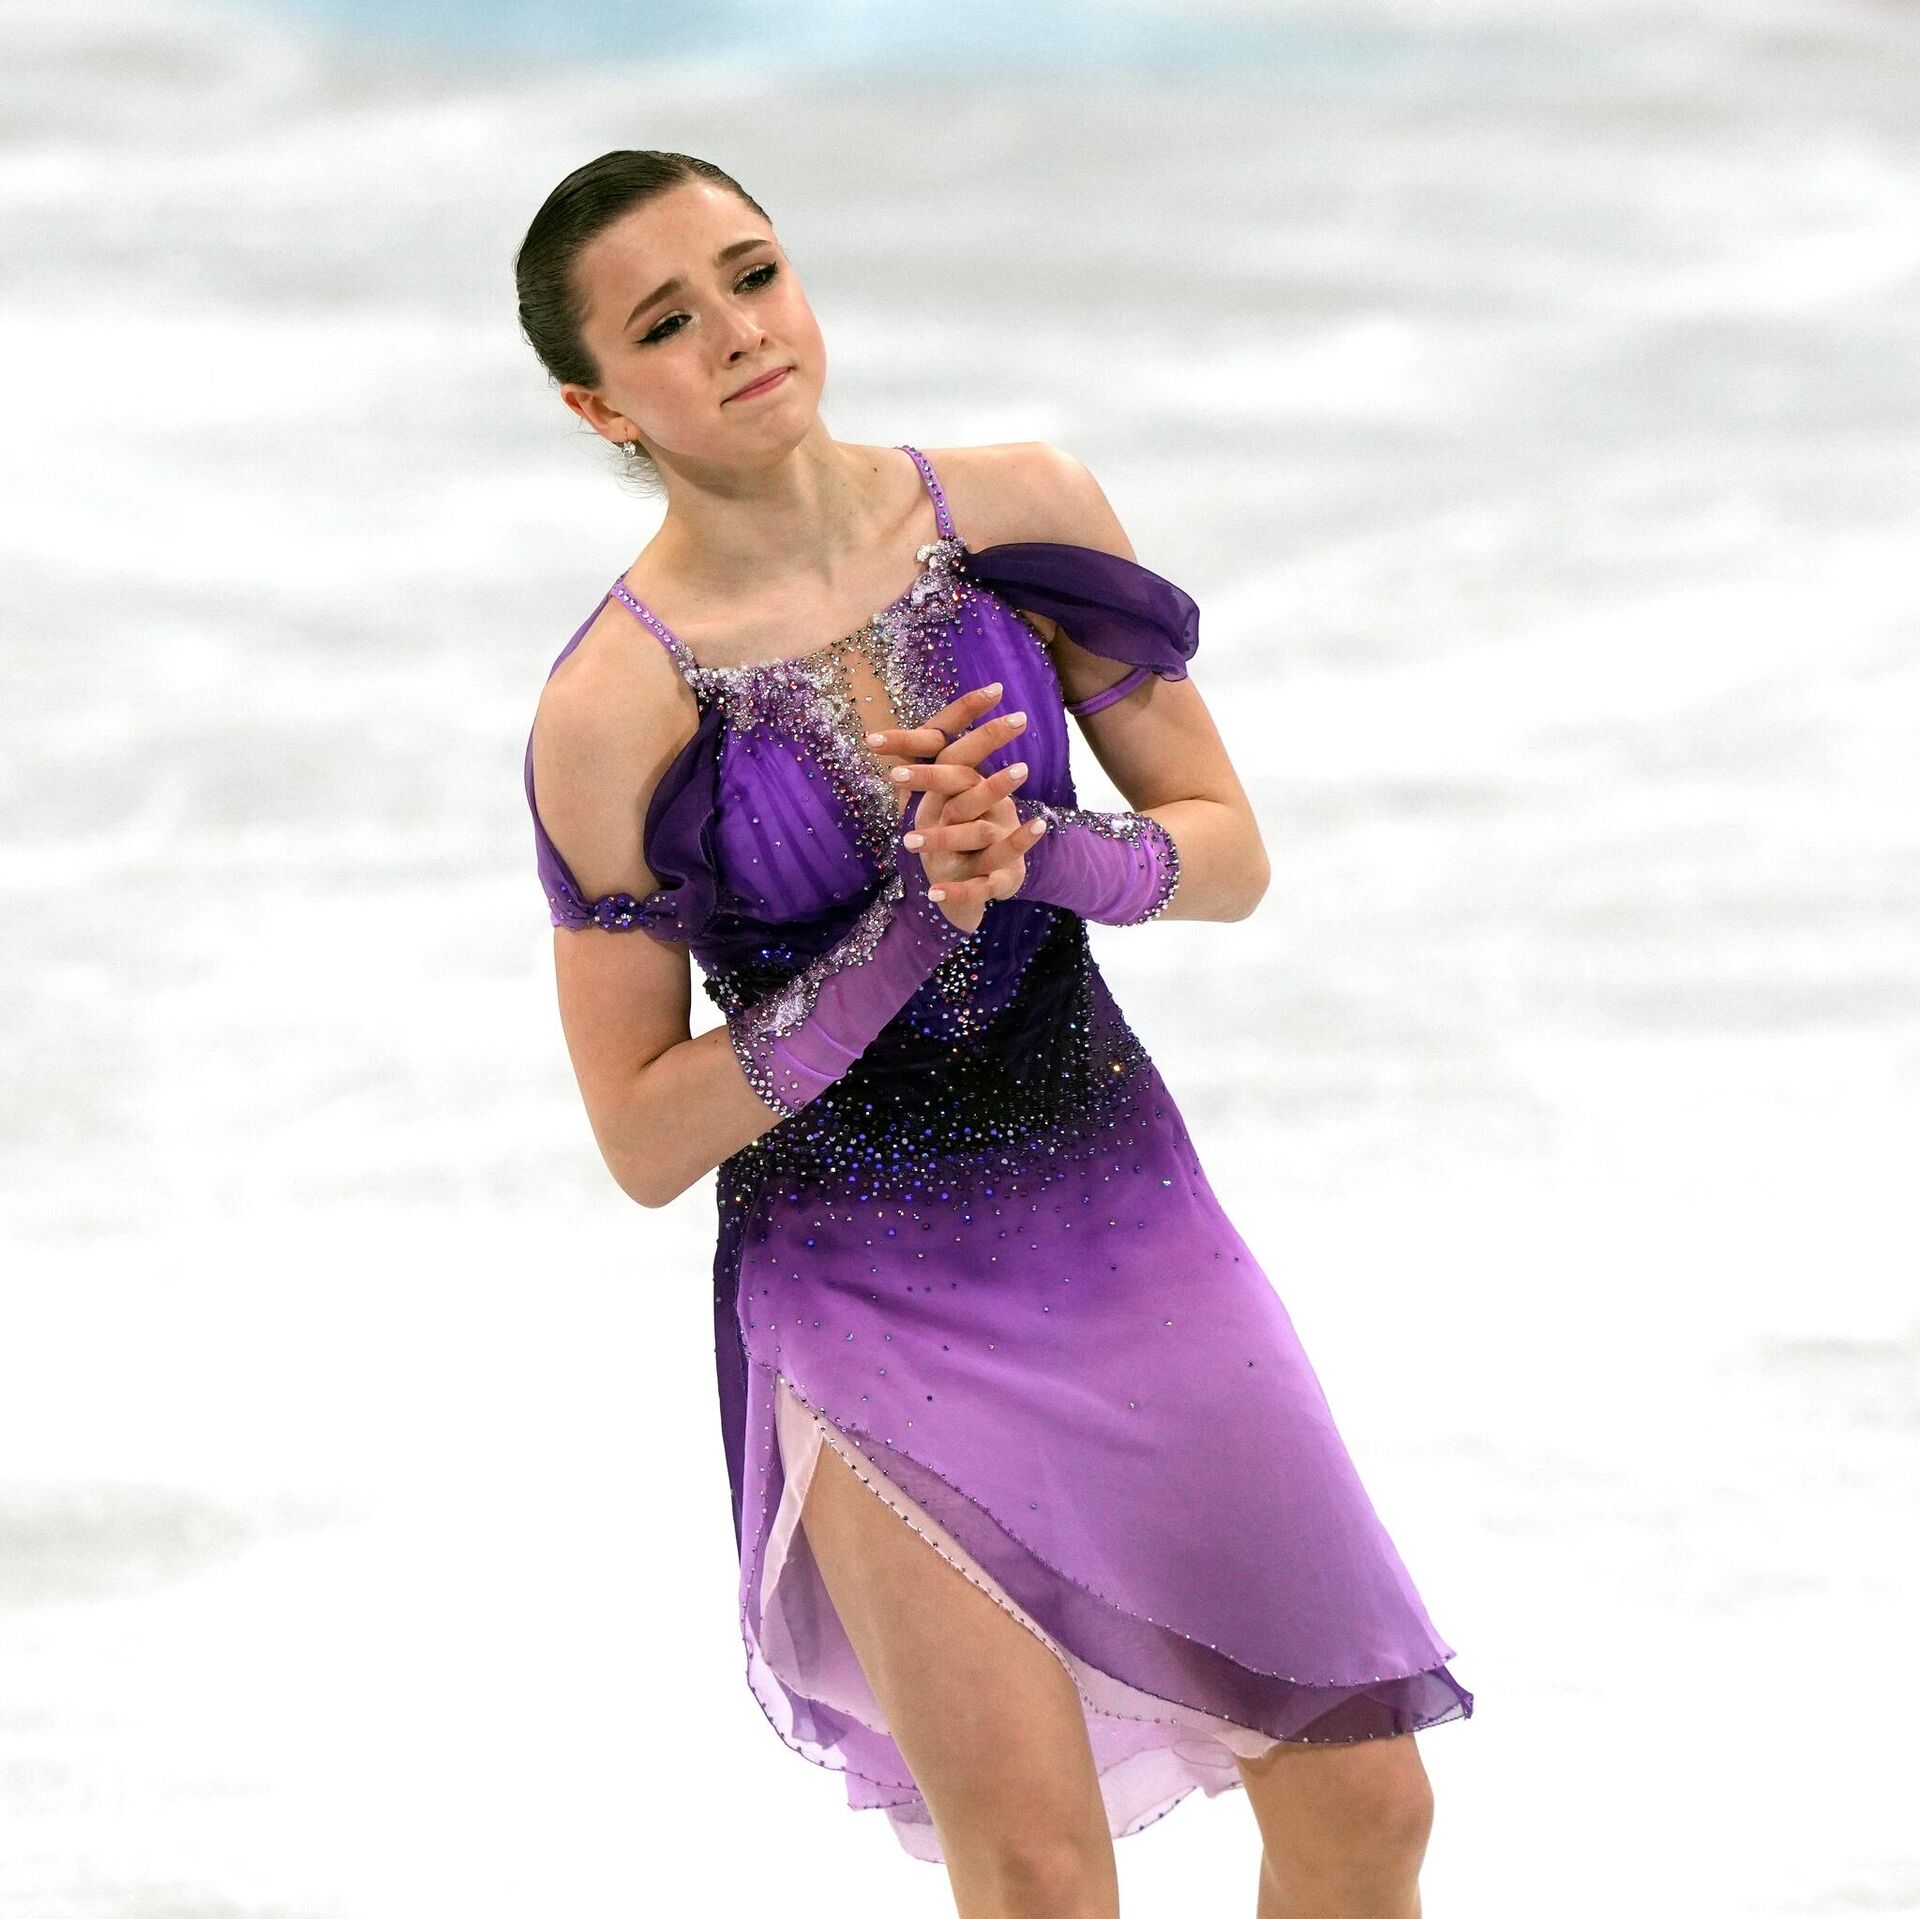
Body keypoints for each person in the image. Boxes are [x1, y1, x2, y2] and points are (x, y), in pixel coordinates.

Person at [515, 149, 1472, 1918]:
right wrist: (900, 936)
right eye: (665, 323)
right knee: (1038, 1873)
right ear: (599, 404)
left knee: (1365, 1801)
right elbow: (642, 1135)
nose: (738, 333)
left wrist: (1044, 854)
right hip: (864, 1295)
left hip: (1127, 1220)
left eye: (752, 274)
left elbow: (1230, 855)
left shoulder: (1021, 515)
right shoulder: (610, 709)